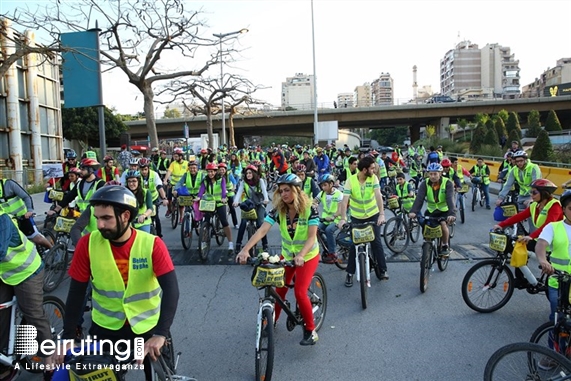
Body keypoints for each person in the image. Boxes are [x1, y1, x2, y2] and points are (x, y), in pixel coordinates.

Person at [54, 186, 179, 371]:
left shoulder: (152, 244)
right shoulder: (87, 244)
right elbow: (76, 293)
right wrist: (68, 337)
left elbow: (171, 291)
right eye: (97, 218)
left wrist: (161, 334)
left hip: (148, 328)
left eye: (106, 218)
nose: (99, 225)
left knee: (164, 375)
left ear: (125, 216)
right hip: (106, 329)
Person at [236, 174, 321, 346]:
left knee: (299, 292)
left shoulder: (309, 209)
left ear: (296, 190)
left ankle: (311, 330)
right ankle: (272, 321)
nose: (283, 194)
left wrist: (301, 255)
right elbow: (262, 231)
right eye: (281, 191)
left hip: (308, 256)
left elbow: (312, 237)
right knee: (279, 289)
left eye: (287, 190)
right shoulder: (278, 209)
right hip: (288, 255)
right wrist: (245, 249)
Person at [0, 210, 54, 380]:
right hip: (5, 274)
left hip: (26, 270)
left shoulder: (2, 219)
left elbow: (0, 251)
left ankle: (49, 363)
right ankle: (5, 363)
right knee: (1, 313)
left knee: (34, 315)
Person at [493, 179, 562, 290]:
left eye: (534, 192)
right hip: (542, 240)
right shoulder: (535, 205)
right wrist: (501, 225)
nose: (531, 195)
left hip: (555, 243)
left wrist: (531, 236)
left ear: (544, 193)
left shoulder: (555, 206)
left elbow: (548, 226)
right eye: (531, 192)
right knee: (519, 245)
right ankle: (521, 280)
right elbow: (519, 216)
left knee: (554, 275)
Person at [337, 156, 389, 286]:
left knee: (376, 242)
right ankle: (350, 274)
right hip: (357, 217)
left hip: (373, 215)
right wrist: (343, 219)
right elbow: (345, 201)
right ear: (365, 170)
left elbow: (378, 196)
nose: (374, 170)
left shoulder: (374, 178)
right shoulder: (350, 181)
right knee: (355, 245)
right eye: (372, 168)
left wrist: (382, 214)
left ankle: (383, 270)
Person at [536, 190, 571, 324]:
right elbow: (541, 245)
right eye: (570, 208)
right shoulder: (553, 227)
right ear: (563, 209)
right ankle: (554, 344)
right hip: (558, 281)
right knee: (558, 320)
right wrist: (543, 261)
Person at [408, 162, 456, 256]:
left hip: (444, 211)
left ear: (440, 173)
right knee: (427, 228)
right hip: (431, 211)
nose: (433, 176)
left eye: (435, 174)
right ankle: (427, 245)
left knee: (443, 224)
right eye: (430, 174)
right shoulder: (425, 183)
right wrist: (413, 211)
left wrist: (452, 213)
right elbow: (419, 198)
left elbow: (450, 199)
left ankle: (445, 245)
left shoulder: (447, 183)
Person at [49, 158, 105, 236]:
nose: (80, 171)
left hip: (96, 220)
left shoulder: (100, 184)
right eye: (80, 169)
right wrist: (56, 210)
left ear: (91, 170)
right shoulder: (80, 184)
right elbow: (69, 197)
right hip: (83, 220)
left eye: (83, 169)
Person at [0, 176, 53, 250]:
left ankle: (52, 250)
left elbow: (26, 197)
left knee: (36, 237)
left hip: (23, 217)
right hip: (8, 221)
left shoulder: (9, 184)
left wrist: (29, 211)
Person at [197, 163, 234, 252]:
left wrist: (224, 198)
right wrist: (198, 197)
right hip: (209, 203)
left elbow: (223, 189)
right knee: (205, 222)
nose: (210, 174)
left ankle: (230, 243)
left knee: (224, 222)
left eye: (212, 172)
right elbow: (201, 190)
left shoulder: (221, 179)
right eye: (209, 172)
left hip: (220, 203)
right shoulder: (205, 180)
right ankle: (204, 241)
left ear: (215, 171)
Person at [233, 164, 269, 253]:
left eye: (250, 173)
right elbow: (239, 192)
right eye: (247, 173)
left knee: (260, 224)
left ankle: (265, 244)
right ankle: (238, 244)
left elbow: (264, 191)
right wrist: (236, 201)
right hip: (248, 204)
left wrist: (266, 199)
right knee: (243, 223)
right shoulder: (243, 182)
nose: (248, 175)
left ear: (254, 173)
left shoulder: (260, 181)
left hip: (259, 203)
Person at [315, 174, 343, 264]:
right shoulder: (322, 193)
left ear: (331, 184)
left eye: (325, 185)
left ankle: (332, 253)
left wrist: (333, 217)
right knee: (316, 229)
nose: (323, 187)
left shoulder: (339, 194)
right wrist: (313, 205)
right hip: (325, 219)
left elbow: (340, 210)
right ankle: (327, 244)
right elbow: (314, 201)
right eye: (322, 185)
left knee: (329, 230)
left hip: (337, 219)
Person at [139, 158, 168, 238]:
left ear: (148, 168)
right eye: (142, 170)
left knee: (156, 217)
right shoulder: (137, 175)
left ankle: (159, 236)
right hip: (142, 199)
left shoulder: (154, 174)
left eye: (145, 169)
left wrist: (164, 198)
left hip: (154, 199)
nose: (144, 172)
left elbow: (159, 187)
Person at [163, 148, 188, 218]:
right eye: (174, 156)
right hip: (173, 184)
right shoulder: (173, 163)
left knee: (181, 203)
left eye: (176, 156)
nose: (175, 158)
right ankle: (169, 210)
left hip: (182, 185)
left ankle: (181, 218)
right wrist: (165, 180)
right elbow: (169, 172)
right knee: (169, 198)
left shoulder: (187, 164)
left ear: (181, 156)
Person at [218, 162, 239, 229]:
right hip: (220, 193)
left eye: (223, 169)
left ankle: (235, 223)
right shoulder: (217, 175)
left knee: (232, 208)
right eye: (220, 170)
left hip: (229, 192)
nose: (221, 171)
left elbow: (234, 182)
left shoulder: (229, 174)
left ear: (225, 170)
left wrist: (234, 187)